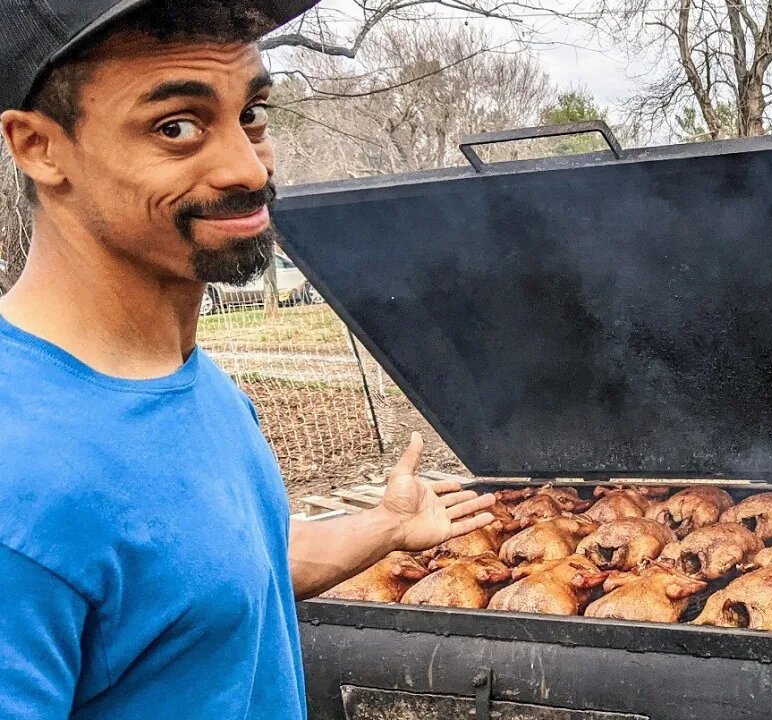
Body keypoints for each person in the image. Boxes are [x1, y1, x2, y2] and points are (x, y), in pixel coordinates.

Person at [0, 1, 495, 717]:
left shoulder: (192, 384)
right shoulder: (20, 480)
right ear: (38, 147)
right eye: (177, 127)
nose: (247, 168)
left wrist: (385, 527)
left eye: (253, 113)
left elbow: (217, 577)